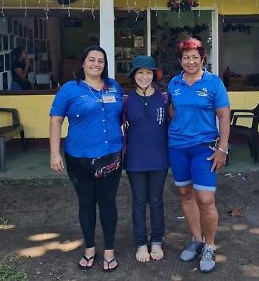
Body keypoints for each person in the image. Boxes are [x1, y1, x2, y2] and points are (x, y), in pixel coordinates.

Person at [49, 45, 123, 272]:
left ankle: (109, 250)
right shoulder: (70, 90)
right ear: (83, 63)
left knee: (108, 203)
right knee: (86, 204)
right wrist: (54, 153)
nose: (96, 64)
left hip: (111, 155)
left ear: (105, 64)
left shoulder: (114, 87)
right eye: (91, 60)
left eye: (100, 60)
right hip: (79, 158)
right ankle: (89, 248)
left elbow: (124, 114)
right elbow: (56, 120)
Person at [168, 37, 230, 273]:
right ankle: (197, 239)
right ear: (180, 60)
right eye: (186, 57)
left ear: (203, 59)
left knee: (205, 199)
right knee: (185, 194)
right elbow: (173, 112)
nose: (191, 61)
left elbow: (224, 117)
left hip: (204, 148)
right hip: (177, 147)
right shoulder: (174, 83)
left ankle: (210, 245)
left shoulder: (214, 83)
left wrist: (222, 149)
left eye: (195, 57)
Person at [124, 55, 169, 263]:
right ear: (134, 76)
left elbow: (176, 123)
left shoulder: (165, 97)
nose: (144, 76)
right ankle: (141, 243)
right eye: (140, 72)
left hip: (159, 158)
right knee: (139, 201)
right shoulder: (125, 100)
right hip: (135, 159)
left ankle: (157, 240)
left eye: (148, 72)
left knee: (157, 200)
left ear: (154, 75)